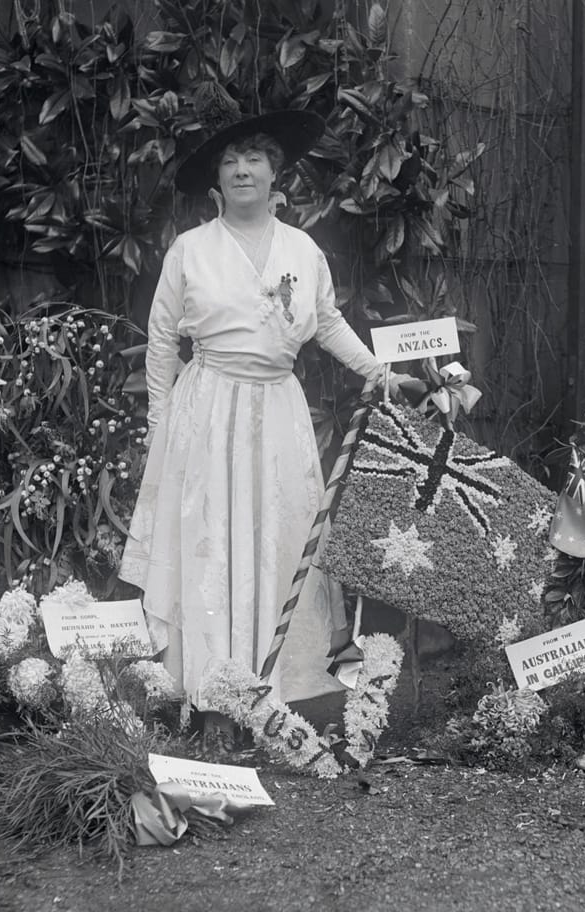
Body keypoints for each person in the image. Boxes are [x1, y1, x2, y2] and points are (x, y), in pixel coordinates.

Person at [118, 96, 408, 728]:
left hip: (277, 409)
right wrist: (161, 428)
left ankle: (273, 687)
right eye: (230, 161)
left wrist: (378, 372)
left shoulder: (303, 251)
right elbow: (163, 339)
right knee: (209, 540)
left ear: (276, 174)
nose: (242, 169)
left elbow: (327, 321)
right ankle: (208, 690)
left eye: (254, 158)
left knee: (276, 536)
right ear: (217, 181)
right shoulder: (190, 250)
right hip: (208, 407)